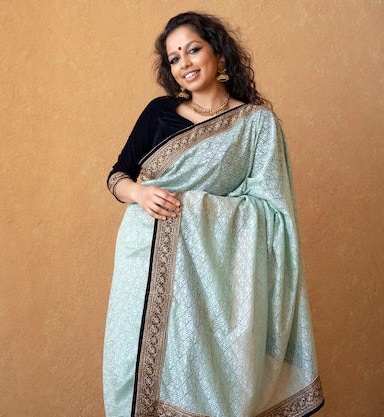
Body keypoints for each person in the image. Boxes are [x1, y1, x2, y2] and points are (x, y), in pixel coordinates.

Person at [103, 12, 324, 417]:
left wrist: (195, 207)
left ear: (218, 53)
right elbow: (117, 175)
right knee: (139, 368)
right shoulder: (158, 112)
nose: (184, 63)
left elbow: (272, 213)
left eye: (193, 50)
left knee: (201, 368)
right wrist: (138, 192)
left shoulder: (257, 124)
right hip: (143, 260)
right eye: (174, 58)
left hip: (213, 276)